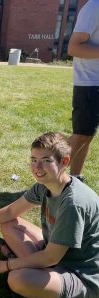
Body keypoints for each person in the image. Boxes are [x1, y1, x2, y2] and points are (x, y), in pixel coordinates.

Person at [0, 132, 99, 298]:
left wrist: (7, 265)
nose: (37, 167)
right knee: (9, 224)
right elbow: (11, 211)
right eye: (33, 159)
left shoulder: (73, 204)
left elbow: (51, 257)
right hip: (53, 252)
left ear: (65, 162)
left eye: (46, 160)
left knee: (17, 279)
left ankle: (28, 267)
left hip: (79, 275)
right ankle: (33, 266)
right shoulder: (44, 186)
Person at [67, 0, 99, 182]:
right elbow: (74, 47)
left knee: (87, 135)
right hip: (89, 83)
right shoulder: (94, 7)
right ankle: (48, 180)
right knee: (80, 136)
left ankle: (75, 177)